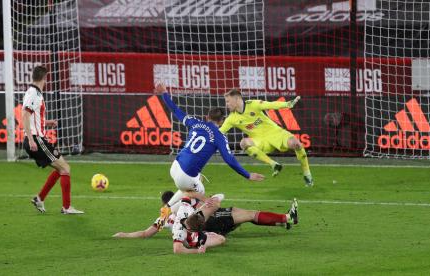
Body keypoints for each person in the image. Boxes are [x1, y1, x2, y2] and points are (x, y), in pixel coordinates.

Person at [154, 83, 264, 222]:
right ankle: (172, 217)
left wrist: (164, 93)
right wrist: (247, 175)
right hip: (185, 176)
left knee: (192, 185)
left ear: (207, 117)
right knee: (199, 194)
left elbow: (175, 109)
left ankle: (168, 206)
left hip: (175, 166)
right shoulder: (220, 136)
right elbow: (229, 160)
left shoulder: (195, 123)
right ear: (222, 121)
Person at [22, 65, 83, 214]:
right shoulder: (34, 94)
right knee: (65, 168)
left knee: (60, 168)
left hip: (38, 139)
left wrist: (47, 123)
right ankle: (66, 207)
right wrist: (30, 140)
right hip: (36, 140)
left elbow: (34, 117)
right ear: (44, 78)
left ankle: (40, 198)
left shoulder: (34, 93)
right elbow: (25, 115)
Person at [220, 89, 313, 186]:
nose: (226, 104)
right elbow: (219, 133)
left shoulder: (253, 104)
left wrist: (287, 104)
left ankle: (307, 174)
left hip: (275, 133)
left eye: (228, 101)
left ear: (237, 99)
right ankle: (273, 164)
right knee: (244, 143)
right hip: (260, 141)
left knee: (297, 144)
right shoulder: (231, 119)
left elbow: (271, 104)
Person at [112, 191, 298, 239]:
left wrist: (124, 235)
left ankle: (282, 223)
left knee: (246, 215)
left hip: (202, 228)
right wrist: (209, 198)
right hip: (209, 222)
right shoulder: (184, 203)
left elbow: (146, 233)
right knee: (250, 214)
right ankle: (287, 218)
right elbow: (208, 201)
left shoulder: (163, 218)